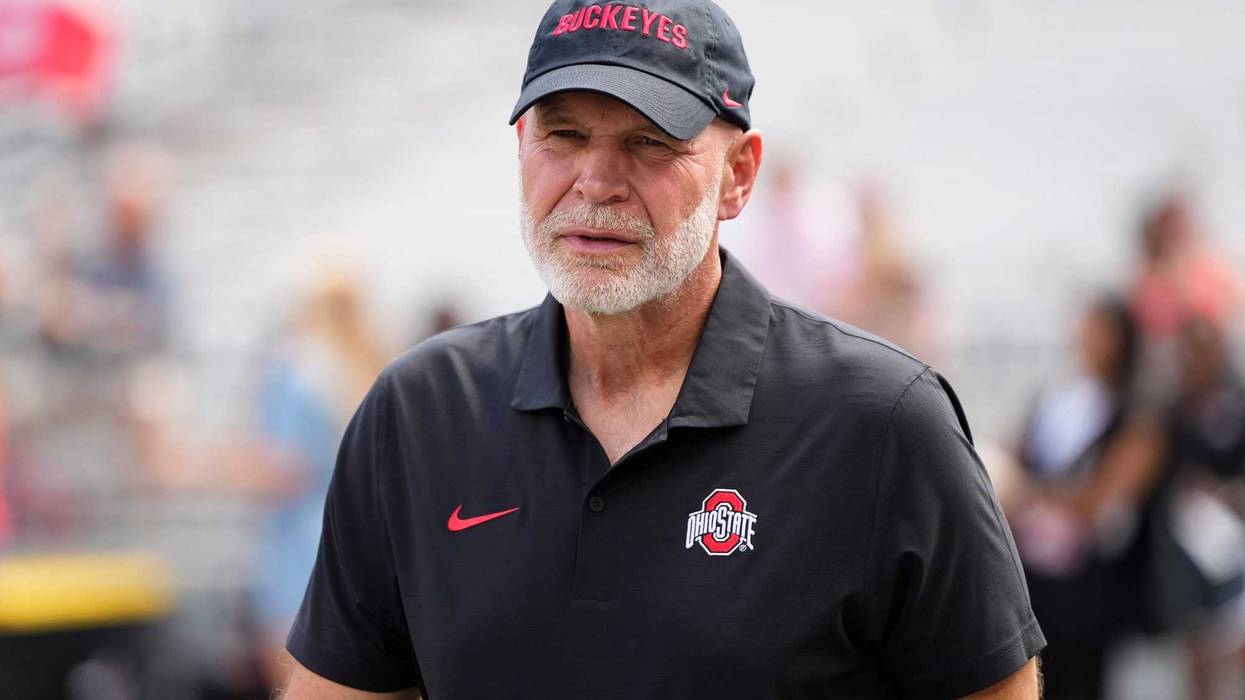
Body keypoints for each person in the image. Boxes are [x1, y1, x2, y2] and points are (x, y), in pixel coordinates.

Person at [283, 1, 1044, 698]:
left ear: (738, 176)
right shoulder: (419, 412)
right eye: (563, 135)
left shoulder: (882, 422)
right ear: (521, 146)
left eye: (649, 142)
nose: (596, 181)